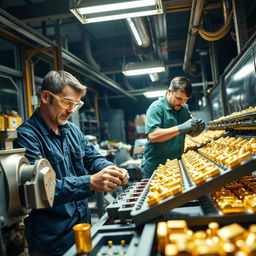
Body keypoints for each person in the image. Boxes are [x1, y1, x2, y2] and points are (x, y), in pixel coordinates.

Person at [14, 71, 129, 256]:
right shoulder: (27, 136)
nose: (71, 110)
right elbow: (40, 189)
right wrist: (89, 182)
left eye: (76, 105)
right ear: (45, 97)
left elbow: (93, 157)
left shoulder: (71, 130)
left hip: (83, 227)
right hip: (52, 240)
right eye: (67, 102)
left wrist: (111, 169)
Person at [141, 76, 205, 178]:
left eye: (185, 100)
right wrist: (180, 127)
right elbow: (153, 136)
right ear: (169, 91)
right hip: (155, 168)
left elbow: (188, 132)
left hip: (175, 166)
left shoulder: (184, 108)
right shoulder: (156, 108)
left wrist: (197, 131)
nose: (182, 103)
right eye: (179, 98)